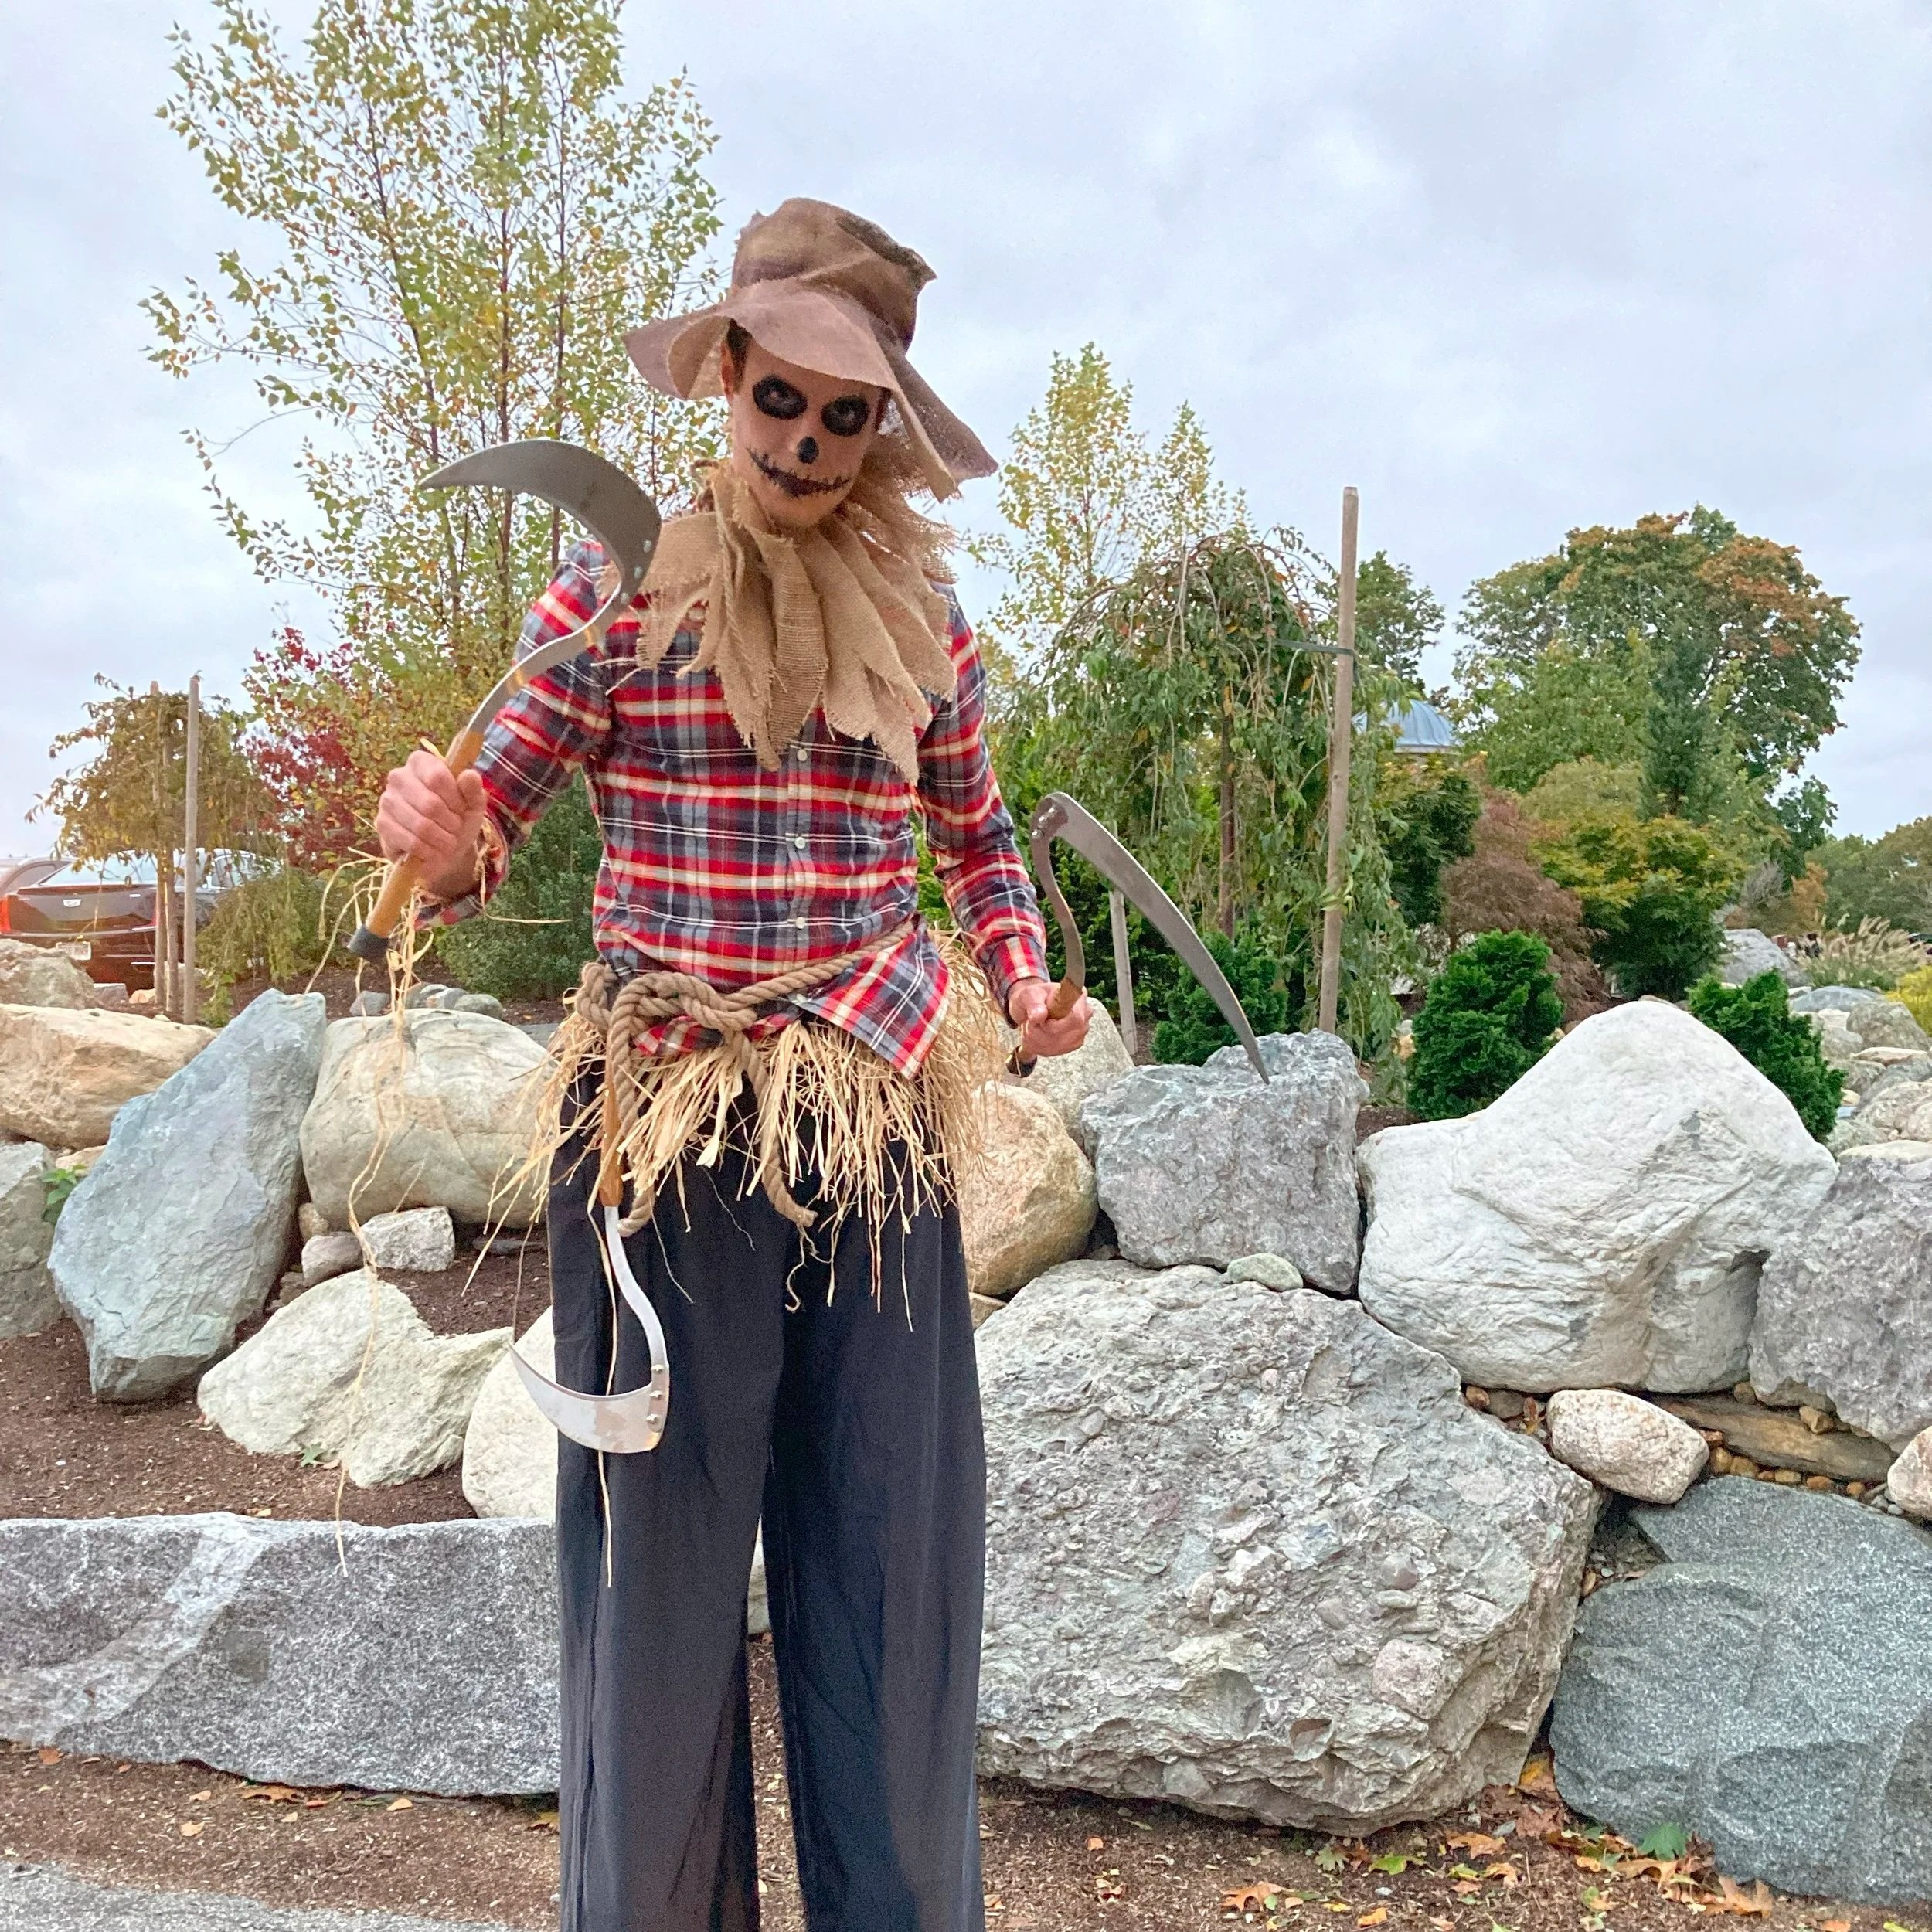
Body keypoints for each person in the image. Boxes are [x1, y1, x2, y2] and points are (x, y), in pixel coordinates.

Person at [372, 198, 1091, 1932]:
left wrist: (1023, 969)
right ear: (725, 376)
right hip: (665, 1138)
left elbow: (976, 838)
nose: (805, 443)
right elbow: (486, 835)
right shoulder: (615, 595)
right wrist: (439, 831)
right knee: (660, 1601)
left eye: (846, 418)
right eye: (781, 400)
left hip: (869, 1132)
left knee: (889, 1577)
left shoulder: (929, 628)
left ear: (882, 434)